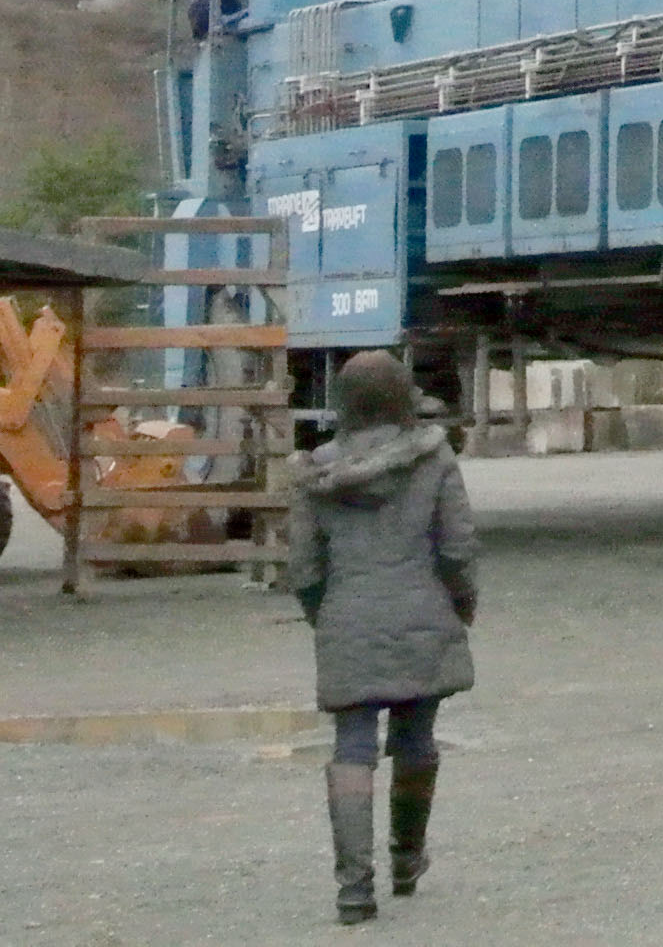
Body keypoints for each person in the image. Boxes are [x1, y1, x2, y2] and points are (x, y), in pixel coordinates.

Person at [285, 351, 477, 925]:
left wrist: (328, 617)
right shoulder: (434, 459)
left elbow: (304, 569)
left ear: (344, 403)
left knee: (352, 747)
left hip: (348, 618)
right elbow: (457, 549)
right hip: (423, 612)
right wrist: (459, 607)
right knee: (416, 740)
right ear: (403, 397)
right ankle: (406, 859)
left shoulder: (316, 472)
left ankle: (353, 891)